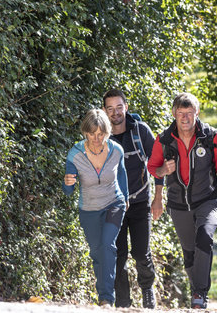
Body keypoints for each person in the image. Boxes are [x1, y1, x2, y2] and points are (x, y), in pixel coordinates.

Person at [147, 92, 217, 309]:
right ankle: (197, 290)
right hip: (178, 204)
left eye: (189, 113)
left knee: (204, 238)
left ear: (197, 113)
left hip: (207, 200)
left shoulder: (211, 138)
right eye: (180, 113)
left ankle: (199, 294)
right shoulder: (164, 139)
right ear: (174, 114)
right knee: (189, 251)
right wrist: (162, 171)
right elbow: (153, 168)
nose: (185, 118)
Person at [103, 89, 164, 309]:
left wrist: (158, 198)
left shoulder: (140, 131)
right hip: (112, 205)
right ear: (104, 111)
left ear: (126, 107)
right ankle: (123, 302)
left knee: (141, 252)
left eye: (119, 107)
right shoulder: (100, 135)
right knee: (117, 255)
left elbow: (157, 165)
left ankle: (147, 290)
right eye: (110, 108)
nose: (115, 113)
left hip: (139, 202)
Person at [62, 109, 128, 307]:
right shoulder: (75, 154)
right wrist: (67, 183)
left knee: (108, 246)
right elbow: (68, 190)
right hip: (89, 208)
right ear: (85, 133)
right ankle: (103, 292)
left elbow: (122, 175)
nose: (96, 138)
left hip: (114, 204)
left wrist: (125, 199)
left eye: (101, 134)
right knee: (97, 251)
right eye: (92, 134)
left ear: (107, 133)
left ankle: (106, 298)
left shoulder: (116, 150)